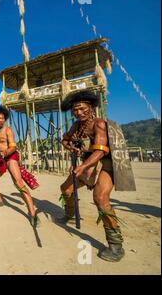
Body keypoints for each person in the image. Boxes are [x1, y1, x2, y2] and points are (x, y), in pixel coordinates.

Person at [58, 90, 125, 262]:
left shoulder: (99, 124)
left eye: (82, 108)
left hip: (105, 163)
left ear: (90, 107)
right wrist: (71, 147)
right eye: (75, 110)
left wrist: (82, 166)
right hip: (86, 165)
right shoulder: (76, 126)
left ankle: (116, 245)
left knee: (100, 198)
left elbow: (100, 150)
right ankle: (70, 213)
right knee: (65, 189)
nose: (78, 112)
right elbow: (64, 140)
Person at [0, 106, 40, 227]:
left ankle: (32, 212)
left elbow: (13, 147)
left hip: (11, 157)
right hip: (1, 158)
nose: (0, 120)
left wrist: (5, 153)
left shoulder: (8, 130)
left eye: (2, 118)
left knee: (18, 183)